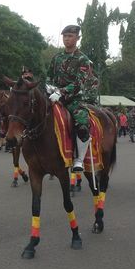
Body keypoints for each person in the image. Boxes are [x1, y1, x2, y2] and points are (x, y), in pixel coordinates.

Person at [46, 24, 98, 172]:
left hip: (74, 99)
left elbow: (79, 82)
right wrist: (48, 87)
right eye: (65, 36)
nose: (66, 39)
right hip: (54, 96)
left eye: (70, 36)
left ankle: (79, 160)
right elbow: (49, 75)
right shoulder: (57, 57)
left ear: (77, 38)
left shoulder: (83, 59)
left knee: (82, 122)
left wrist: (61, 92)